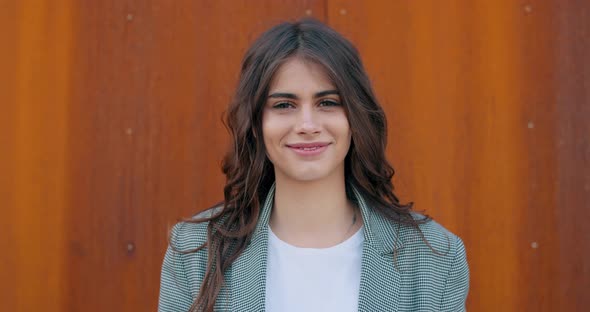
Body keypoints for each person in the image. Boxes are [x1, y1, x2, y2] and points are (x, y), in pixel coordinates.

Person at [158, 18, 469, 312]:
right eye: (284, 105)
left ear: (355, 118)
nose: (307, 124)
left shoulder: (434, 256)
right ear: (255, 123)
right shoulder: (196, 251)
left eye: (328, 103)